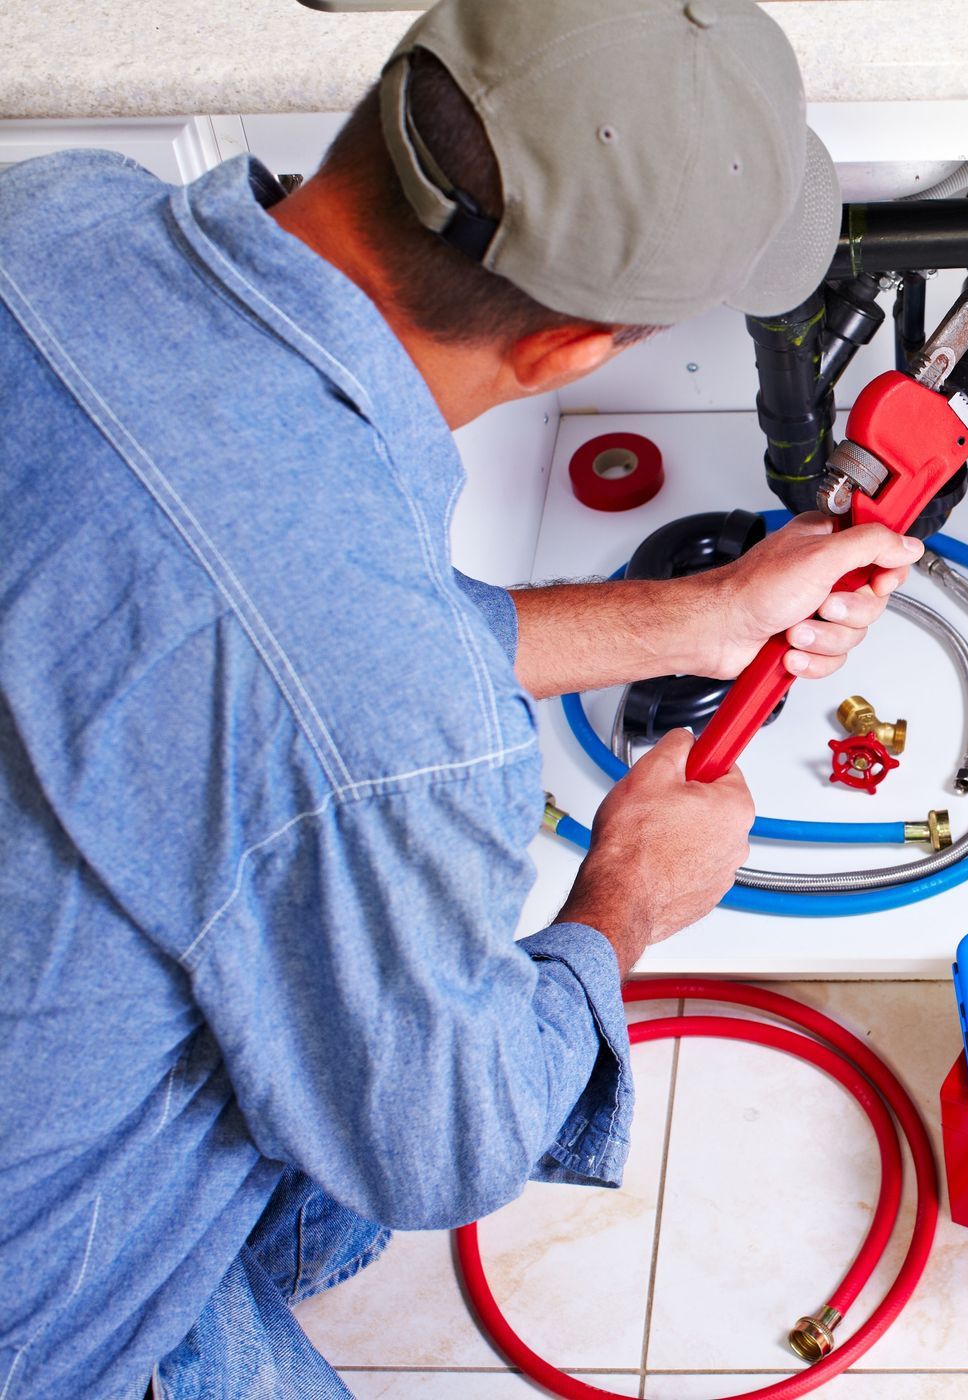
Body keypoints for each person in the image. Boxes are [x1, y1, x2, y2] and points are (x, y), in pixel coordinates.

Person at [0, 1, 917, 1395]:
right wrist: (627, 903)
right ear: (569, 352)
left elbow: (232, 627)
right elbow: (441, 1143)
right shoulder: (392, 732)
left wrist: (699, 618)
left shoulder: (54, 222)